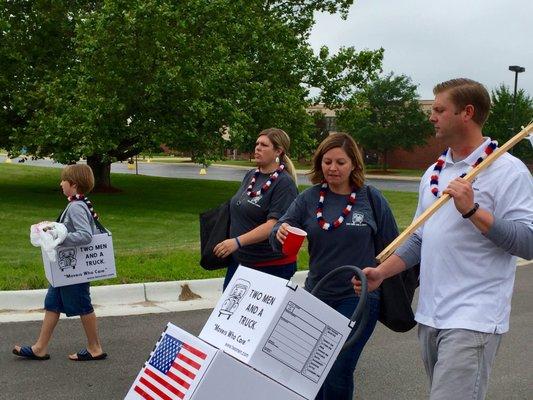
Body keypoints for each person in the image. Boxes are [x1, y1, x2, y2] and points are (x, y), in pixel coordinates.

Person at [353, 78, 533, 400]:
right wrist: (382, 273)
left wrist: (473, 210)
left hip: (474, 317)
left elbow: (528, 241)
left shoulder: (509, 171)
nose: (431, 116)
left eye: (439, 109)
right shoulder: (434, 172)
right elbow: (421, 237)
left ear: (466, 113)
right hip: (431, 314)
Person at [270, 132, 399, 400]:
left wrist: (380, 273)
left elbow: (393, 248)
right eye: (327, 161)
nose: (333, 168)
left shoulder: (371, 199)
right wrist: (280, 231)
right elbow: (278, 233)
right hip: (317, 295)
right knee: (310, 370)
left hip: (358, 297)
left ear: (354, 164)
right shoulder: (309, 199)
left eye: (340, 162)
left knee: (338, 367)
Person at [13, 164, 107, 361]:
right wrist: (53, 227)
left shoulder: (76, 207)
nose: (61, 183)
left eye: (63, 180)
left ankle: (95, 348)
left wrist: (59, 237)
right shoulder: (77, 204)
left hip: (75, 271)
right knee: (52, 304)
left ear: (73, 184)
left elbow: (85, 235)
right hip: (65, 271)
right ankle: (40, 348)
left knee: (82, 304)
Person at [214, 128, 299, 289]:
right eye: (257, 144)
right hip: (240, 260)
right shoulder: (252, 175)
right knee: (229, 312)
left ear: (278, 151)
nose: (257, 148)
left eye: (264, 145)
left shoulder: (284, 183)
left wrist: (237, 242)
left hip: (269, 264)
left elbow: (274, 224)